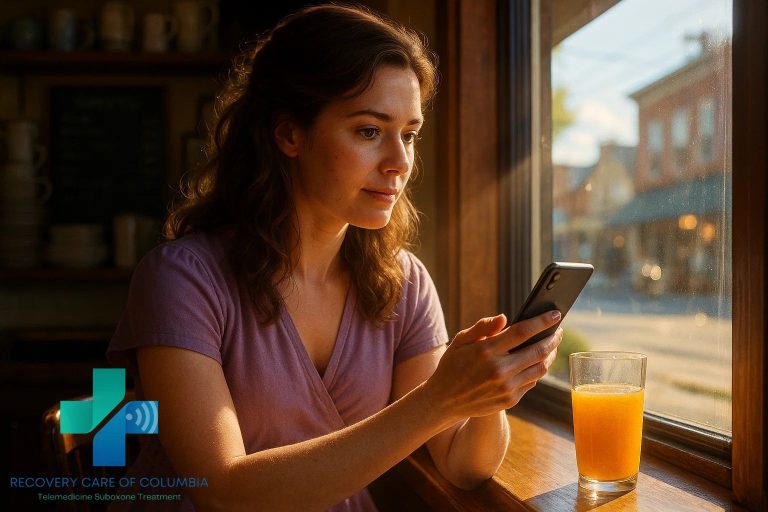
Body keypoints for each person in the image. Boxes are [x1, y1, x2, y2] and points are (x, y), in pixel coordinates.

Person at [107, 4, 563, 511]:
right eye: (370, 131)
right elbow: (223, 493)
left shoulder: (403, 282)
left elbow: (460, 464)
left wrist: (488, 393)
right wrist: (439, 398)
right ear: (289, 135)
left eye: (409, 135)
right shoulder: (181, 279)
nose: (400, 162)